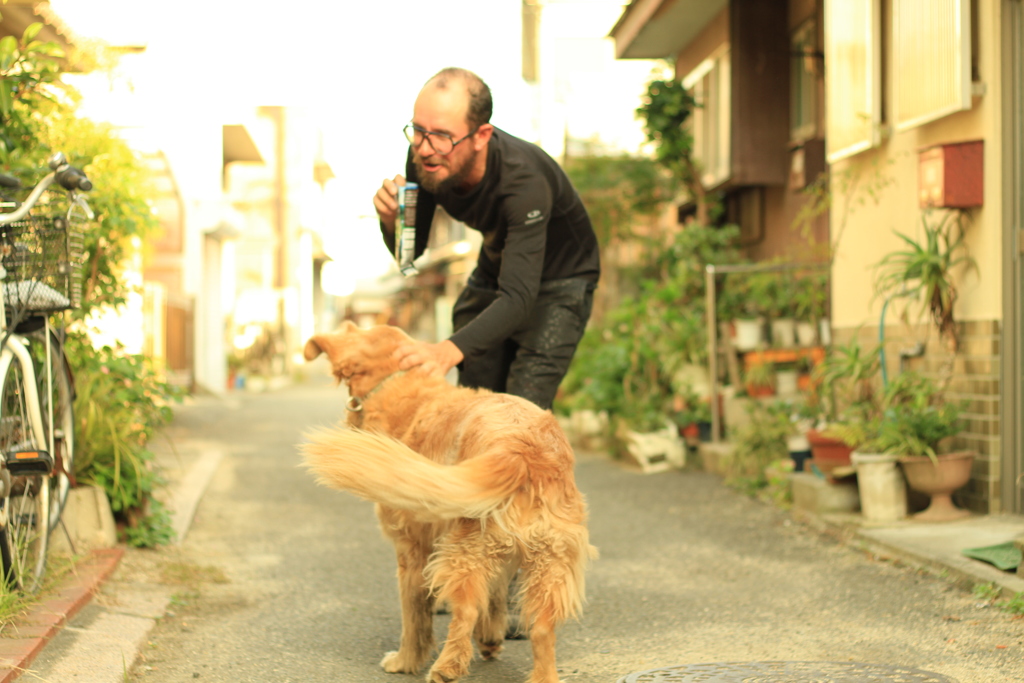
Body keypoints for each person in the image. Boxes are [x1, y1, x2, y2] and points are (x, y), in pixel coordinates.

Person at [372, 67, 600, 411]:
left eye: (442, 136)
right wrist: (392, 222)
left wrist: (444, 350)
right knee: (475, 404)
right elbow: (410, 256)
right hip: (499, 267)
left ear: (481, 136)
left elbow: (519, 298)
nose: (425, 148)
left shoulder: (524, 182)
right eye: (418, 131)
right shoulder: (424, 158)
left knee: (519, 413)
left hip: (561, 279)